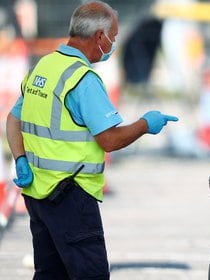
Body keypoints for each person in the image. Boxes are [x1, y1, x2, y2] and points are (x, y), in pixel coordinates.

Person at [5, 1, 178, 279]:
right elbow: (109, 140)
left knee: (50, 275)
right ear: (100, 36)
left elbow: (13, 119)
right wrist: (146, 124)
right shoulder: (83, 80)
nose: (113, 44)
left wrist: (21, 159)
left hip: (37, 195)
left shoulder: (44, 66)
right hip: (70, 197)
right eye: (114, 36)